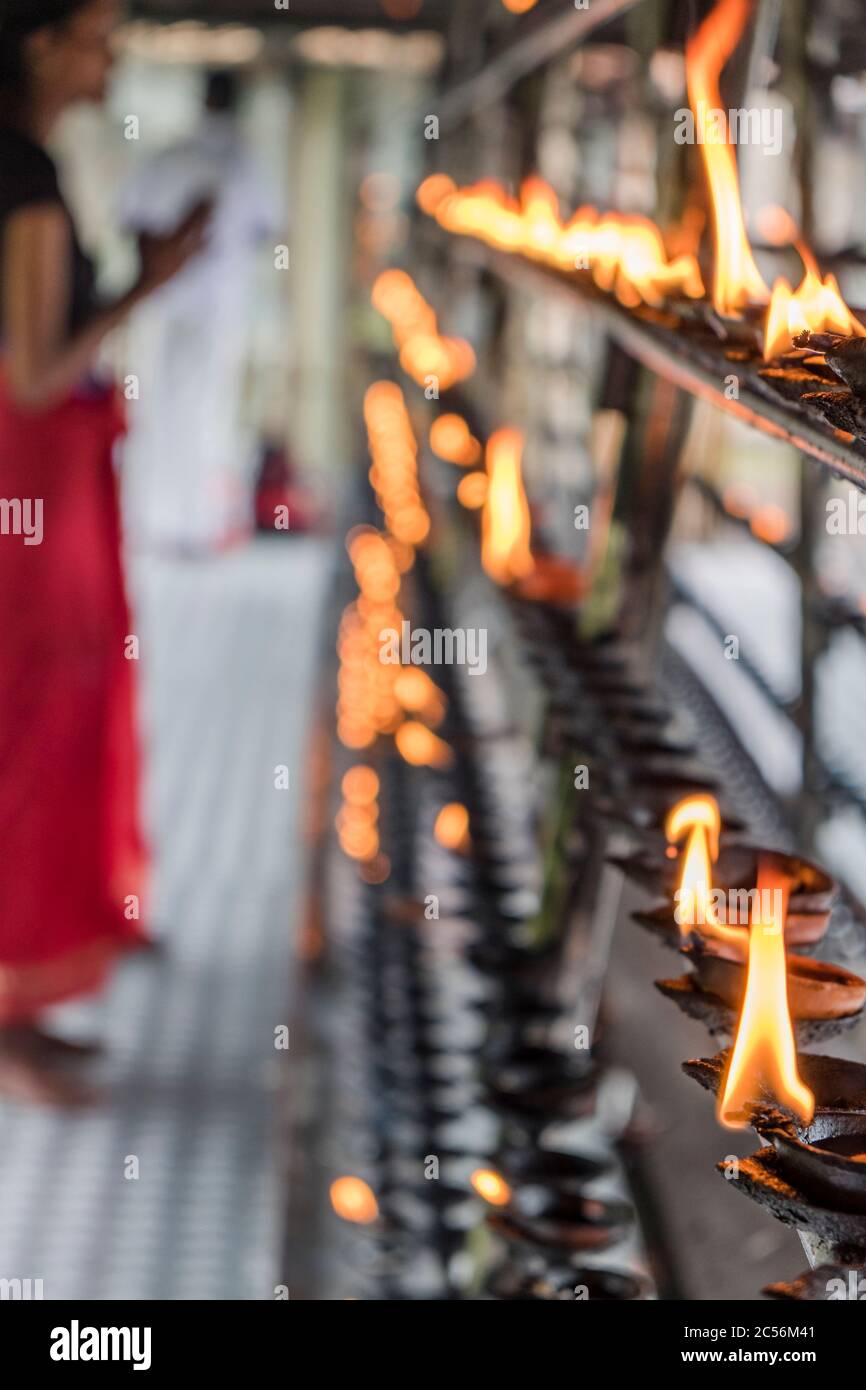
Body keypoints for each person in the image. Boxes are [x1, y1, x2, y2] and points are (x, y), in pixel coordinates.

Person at [0, 0, 208, 1104]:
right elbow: (35, 373)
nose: (109, 53)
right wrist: (148, 283)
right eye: (94, 32)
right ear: (40, 43)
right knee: (34, 726)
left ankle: (23, 1006)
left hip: (28, 496)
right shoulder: (22, 178)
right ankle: (9, 1013)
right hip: (25, 493)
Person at [119, 68, 280, 552]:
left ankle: (165, 520)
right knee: (210, 410)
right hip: (218, 306)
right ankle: (197, 523)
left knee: (164, 408)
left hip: (170, 303)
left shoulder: (172, 156)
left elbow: (131, 218)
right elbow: (267, 227)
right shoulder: (246, 164)